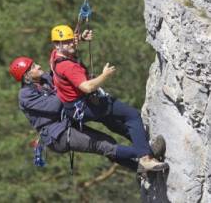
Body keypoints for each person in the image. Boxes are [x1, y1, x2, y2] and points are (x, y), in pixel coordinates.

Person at [9, 56, 165, 172]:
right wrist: (67, 89)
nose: (38, 66)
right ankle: (146, 154)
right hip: (59, 135)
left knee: (108, 140)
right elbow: (55, 105)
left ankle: (140, 167)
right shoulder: (25, 95)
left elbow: (59, 71)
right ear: (27, 76)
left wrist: (77, 41)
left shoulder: (43, 80)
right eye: (34, 66)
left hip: (68, 123)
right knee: (104, 145)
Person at [50, 25, 169, 173]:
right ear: (57, 44)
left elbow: (69, 44)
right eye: (65, 42)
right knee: (131, 116)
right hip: (86, 105)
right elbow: (87, 87)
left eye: (70, 40)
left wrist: (80, 38)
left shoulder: (55, 55)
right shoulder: (68, 67)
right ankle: (146, 159)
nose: (70, 43)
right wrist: (104, 75)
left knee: (113, 122)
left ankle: (144, 146)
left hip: (73, 109)